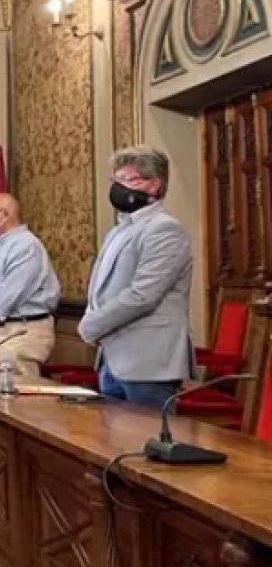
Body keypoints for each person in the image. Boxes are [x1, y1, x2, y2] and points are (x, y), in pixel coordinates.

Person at [79, 146, 193, 409]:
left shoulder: (165, 229)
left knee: (146, 440)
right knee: (114, 446)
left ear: (154, 185)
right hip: (112, 356)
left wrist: (91, 325)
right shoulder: (119, 230)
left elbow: (143, 295)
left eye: (127, 180)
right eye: (115, 180)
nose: (118, 187)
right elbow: (101, 287)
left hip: (148, 361)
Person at [0, 193, 60, 377]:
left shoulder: (25, 246)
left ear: (5, 215)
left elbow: (6, 297)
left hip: (19, 333)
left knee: (17, 399)